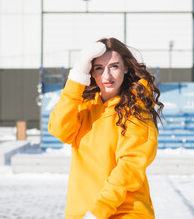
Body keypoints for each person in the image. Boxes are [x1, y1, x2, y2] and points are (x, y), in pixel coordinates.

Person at [48, 37, 164, 219]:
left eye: (114, 67)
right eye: (99, 68)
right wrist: (77, 75)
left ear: (126, 68)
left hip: (124, 213)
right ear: (90, 72)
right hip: (83, 213)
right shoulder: (85, 108)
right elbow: (58, 129)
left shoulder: (135, 111)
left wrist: (98, 211)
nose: (107, 76)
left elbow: (130, 167)